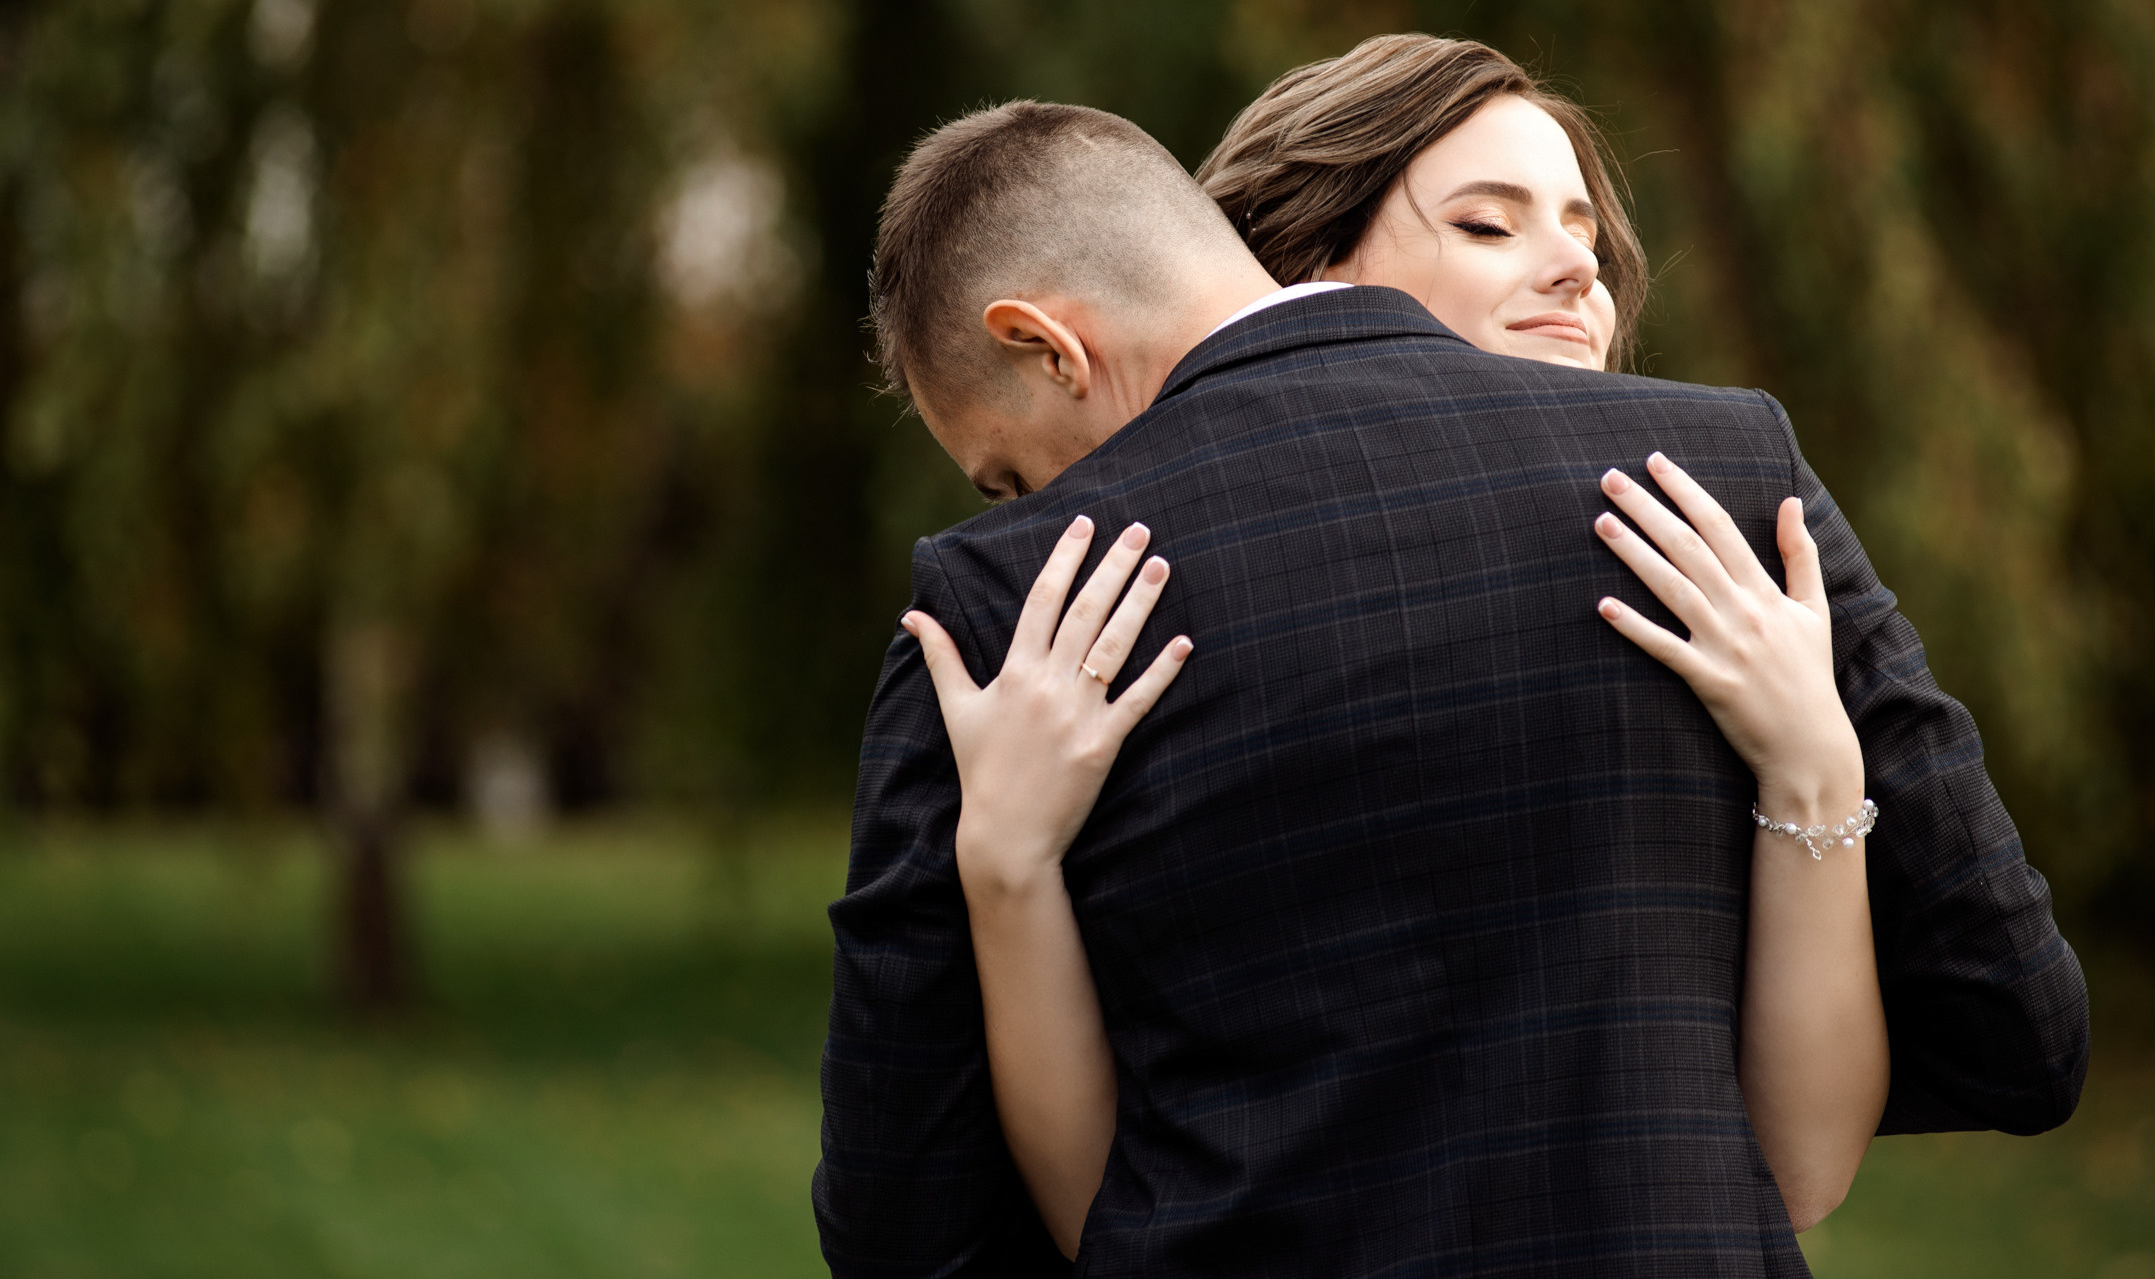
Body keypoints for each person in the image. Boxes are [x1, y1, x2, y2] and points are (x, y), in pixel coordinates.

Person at [815, 65, 2087, 1276]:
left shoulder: (1005, 619)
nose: (1031, 510)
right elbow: (2014, 1024)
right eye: (1486, 221)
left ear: (1046, 347)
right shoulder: (1725, 484)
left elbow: (909, 1233)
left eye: (1008, 476)